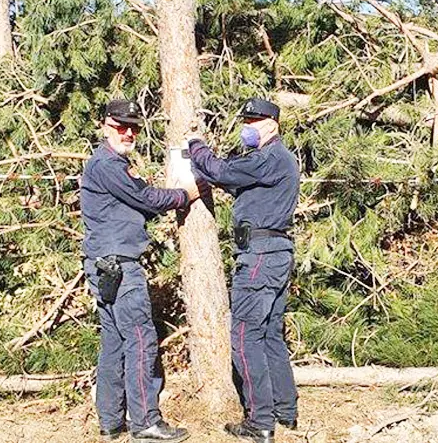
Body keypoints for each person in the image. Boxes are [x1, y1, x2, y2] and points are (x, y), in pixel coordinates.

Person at [80, 99, 197, 443]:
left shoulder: (111, 165)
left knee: (115, 343)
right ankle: (145, 422)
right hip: (118, 267)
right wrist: (183, 195)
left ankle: (111, 422)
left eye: (133, 127)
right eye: (120, 127)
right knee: (142, 341)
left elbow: (134, 205)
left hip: (105, 266)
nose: (128, 133)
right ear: (105, 126)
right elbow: (145, 198)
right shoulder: (107, 165)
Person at [187, 98, 300, 443]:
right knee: (268, 335)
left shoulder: (270, 156)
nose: (247, 126)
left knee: (244, 336)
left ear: (272, 125)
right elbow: (232, 180)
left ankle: (259, 421)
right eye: (246, 119)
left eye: (254, 120)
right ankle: (285, 411)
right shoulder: (271, 161)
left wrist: (195, 147)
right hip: (275, 252)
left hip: (260, 255)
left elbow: (222, 172)